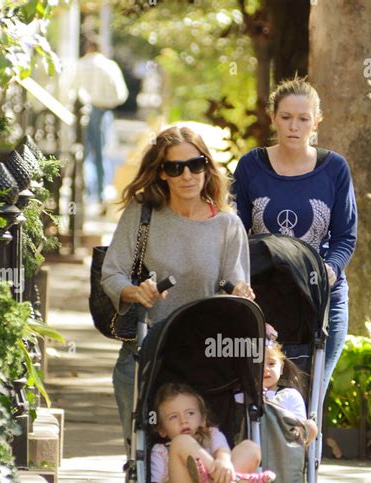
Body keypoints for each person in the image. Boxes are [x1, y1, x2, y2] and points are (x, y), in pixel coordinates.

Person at [101, 125, 254, 449]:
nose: (187, 175)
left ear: (207, 166)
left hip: (205, 359)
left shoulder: (227, 225)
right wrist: (136, 291)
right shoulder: (143, 215)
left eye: (195, 164)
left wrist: (239, 292)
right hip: (146, 353)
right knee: (144, 453)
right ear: (161, 174)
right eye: (175, 167)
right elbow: (112, 274)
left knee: (203, 448)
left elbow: (234, 286)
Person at [232, 75, 357, 390]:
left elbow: (345, 237)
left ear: (316, 123)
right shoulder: (251, 166)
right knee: (261, 398)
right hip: (266, 299)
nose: (293, 126)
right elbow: (234, 232)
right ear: (273, 118)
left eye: (303, 119)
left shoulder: (335, 169)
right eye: (286, 117)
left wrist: (329, 269)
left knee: (308, 401)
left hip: (320, 301)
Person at [150, 382, 275, 483]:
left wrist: (223, 461)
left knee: (250, 447)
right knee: (180, 441)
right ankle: (231, 482)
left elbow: (222, 450)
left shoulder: (211, 434)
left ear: (203, 419)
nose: (184, 421)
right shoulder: (160, 451)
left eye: (190, 413)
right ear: (162, 429)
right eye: (173, 417)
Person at [262, 340, 318, 483]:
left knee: (308, 428)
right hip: (255, 460)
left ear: (282, 367)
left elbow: (301, 429)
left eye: (271, 364)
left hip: (285, 456)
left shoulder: (289, 396)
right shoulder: (243, 395)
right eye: (259, 364)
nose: (265, 369)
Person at [74, 36, 129, 204]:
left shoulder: (80, 65)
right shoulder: (108, 66)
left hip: (81, 111)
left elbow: (70, 88)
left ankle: (84, 190)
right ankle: (99, 192)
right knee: (100, 152)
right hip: (102, 110)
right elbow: (120, 94)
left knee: (83, 151)